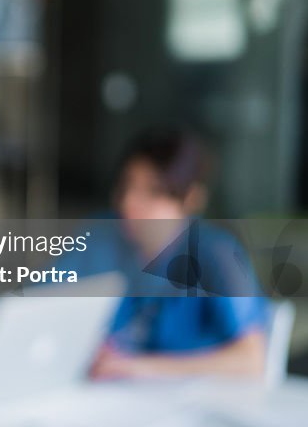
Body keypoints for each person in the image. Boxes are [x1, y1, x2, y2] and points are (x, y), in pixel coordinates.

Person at [82, 127, 269, 379]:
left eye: (153, 191)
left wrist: (137, 367)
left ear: (191, 198)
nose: (129, 202)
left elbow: (251, 360)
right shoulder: (103, 238)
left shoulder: (218, 254)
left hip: (191, 400)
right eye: (126, 185)